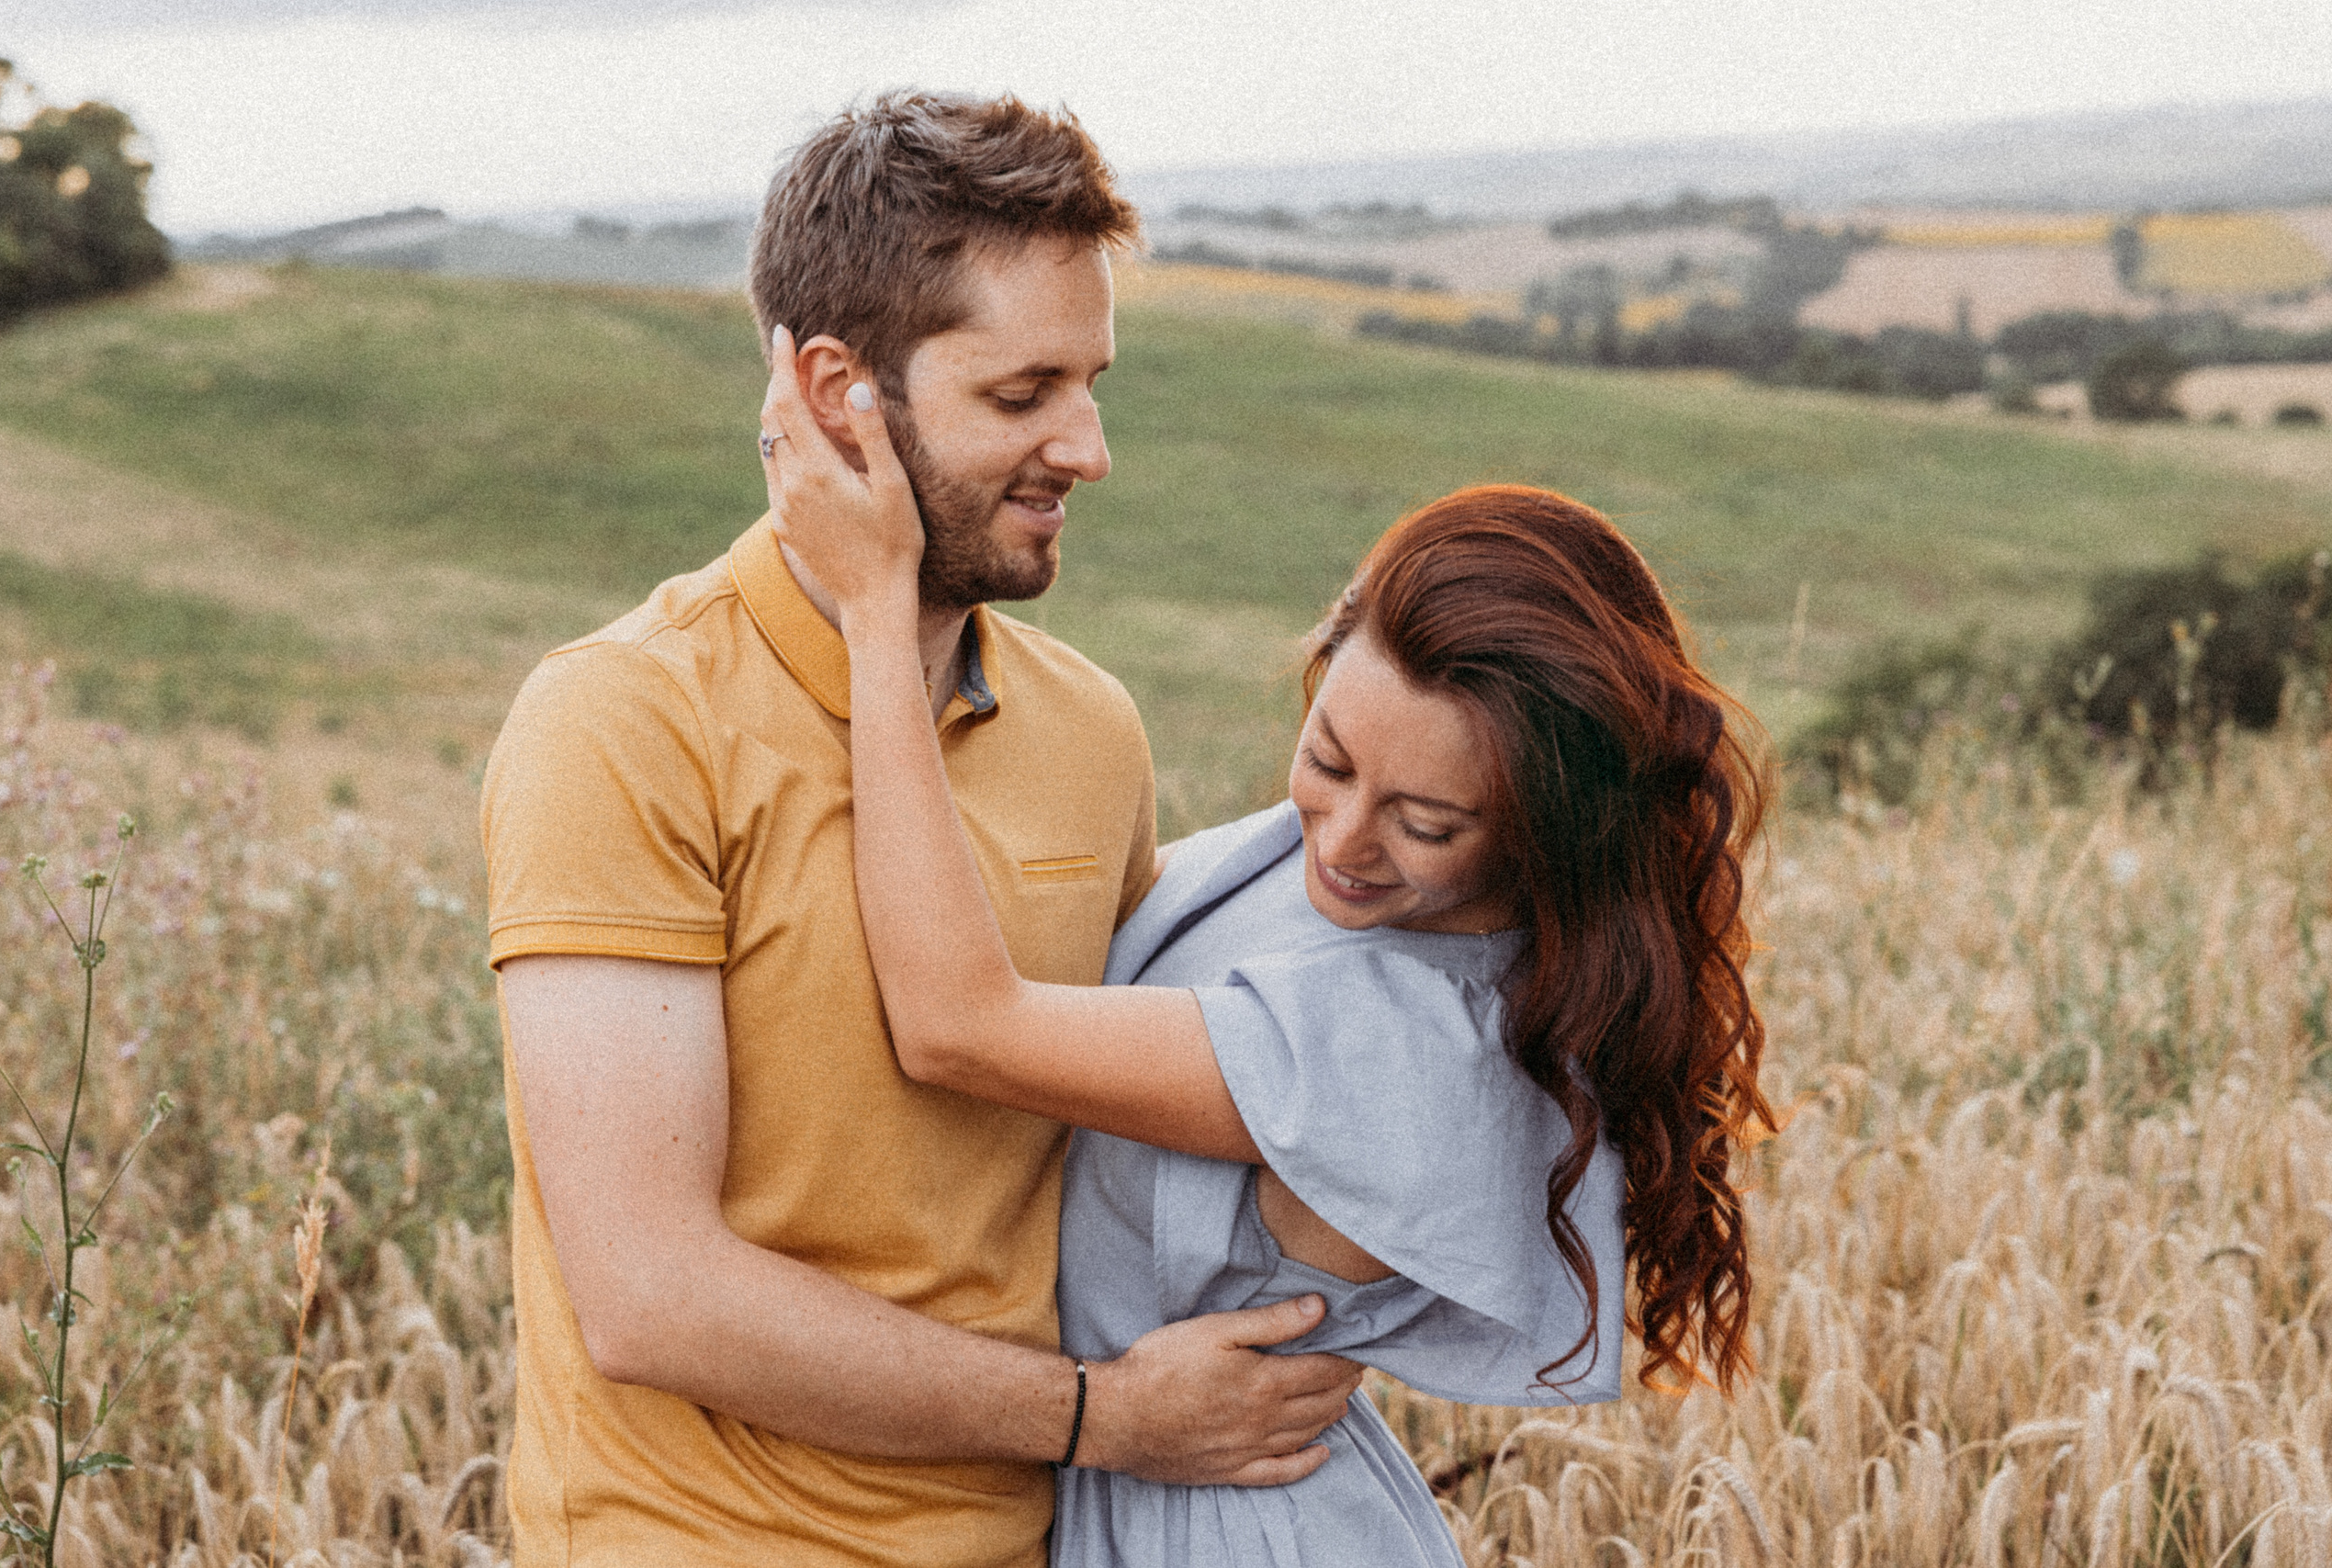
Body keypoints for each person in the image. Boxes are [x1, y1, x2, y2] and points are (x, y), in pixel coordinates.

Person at [480, 92, 1364, 1568]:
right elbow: (650, 1295)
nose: (1087, 449)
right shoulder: (623, 722)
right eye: (1021, 396)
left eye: (1091, 385)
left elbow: (1130, 1163)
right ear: (840, 393)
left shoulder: (1091, 729)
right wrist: (1102, 1416)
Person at [761, 349, 1778, 1564]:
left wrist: (878, 606)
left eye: (1428, 825)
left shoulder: (1406, 1043)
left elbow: (957, 1025)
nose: (1340, 843)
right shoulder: (1345, 881)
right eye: (1328, 759)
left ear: (1543, 832)